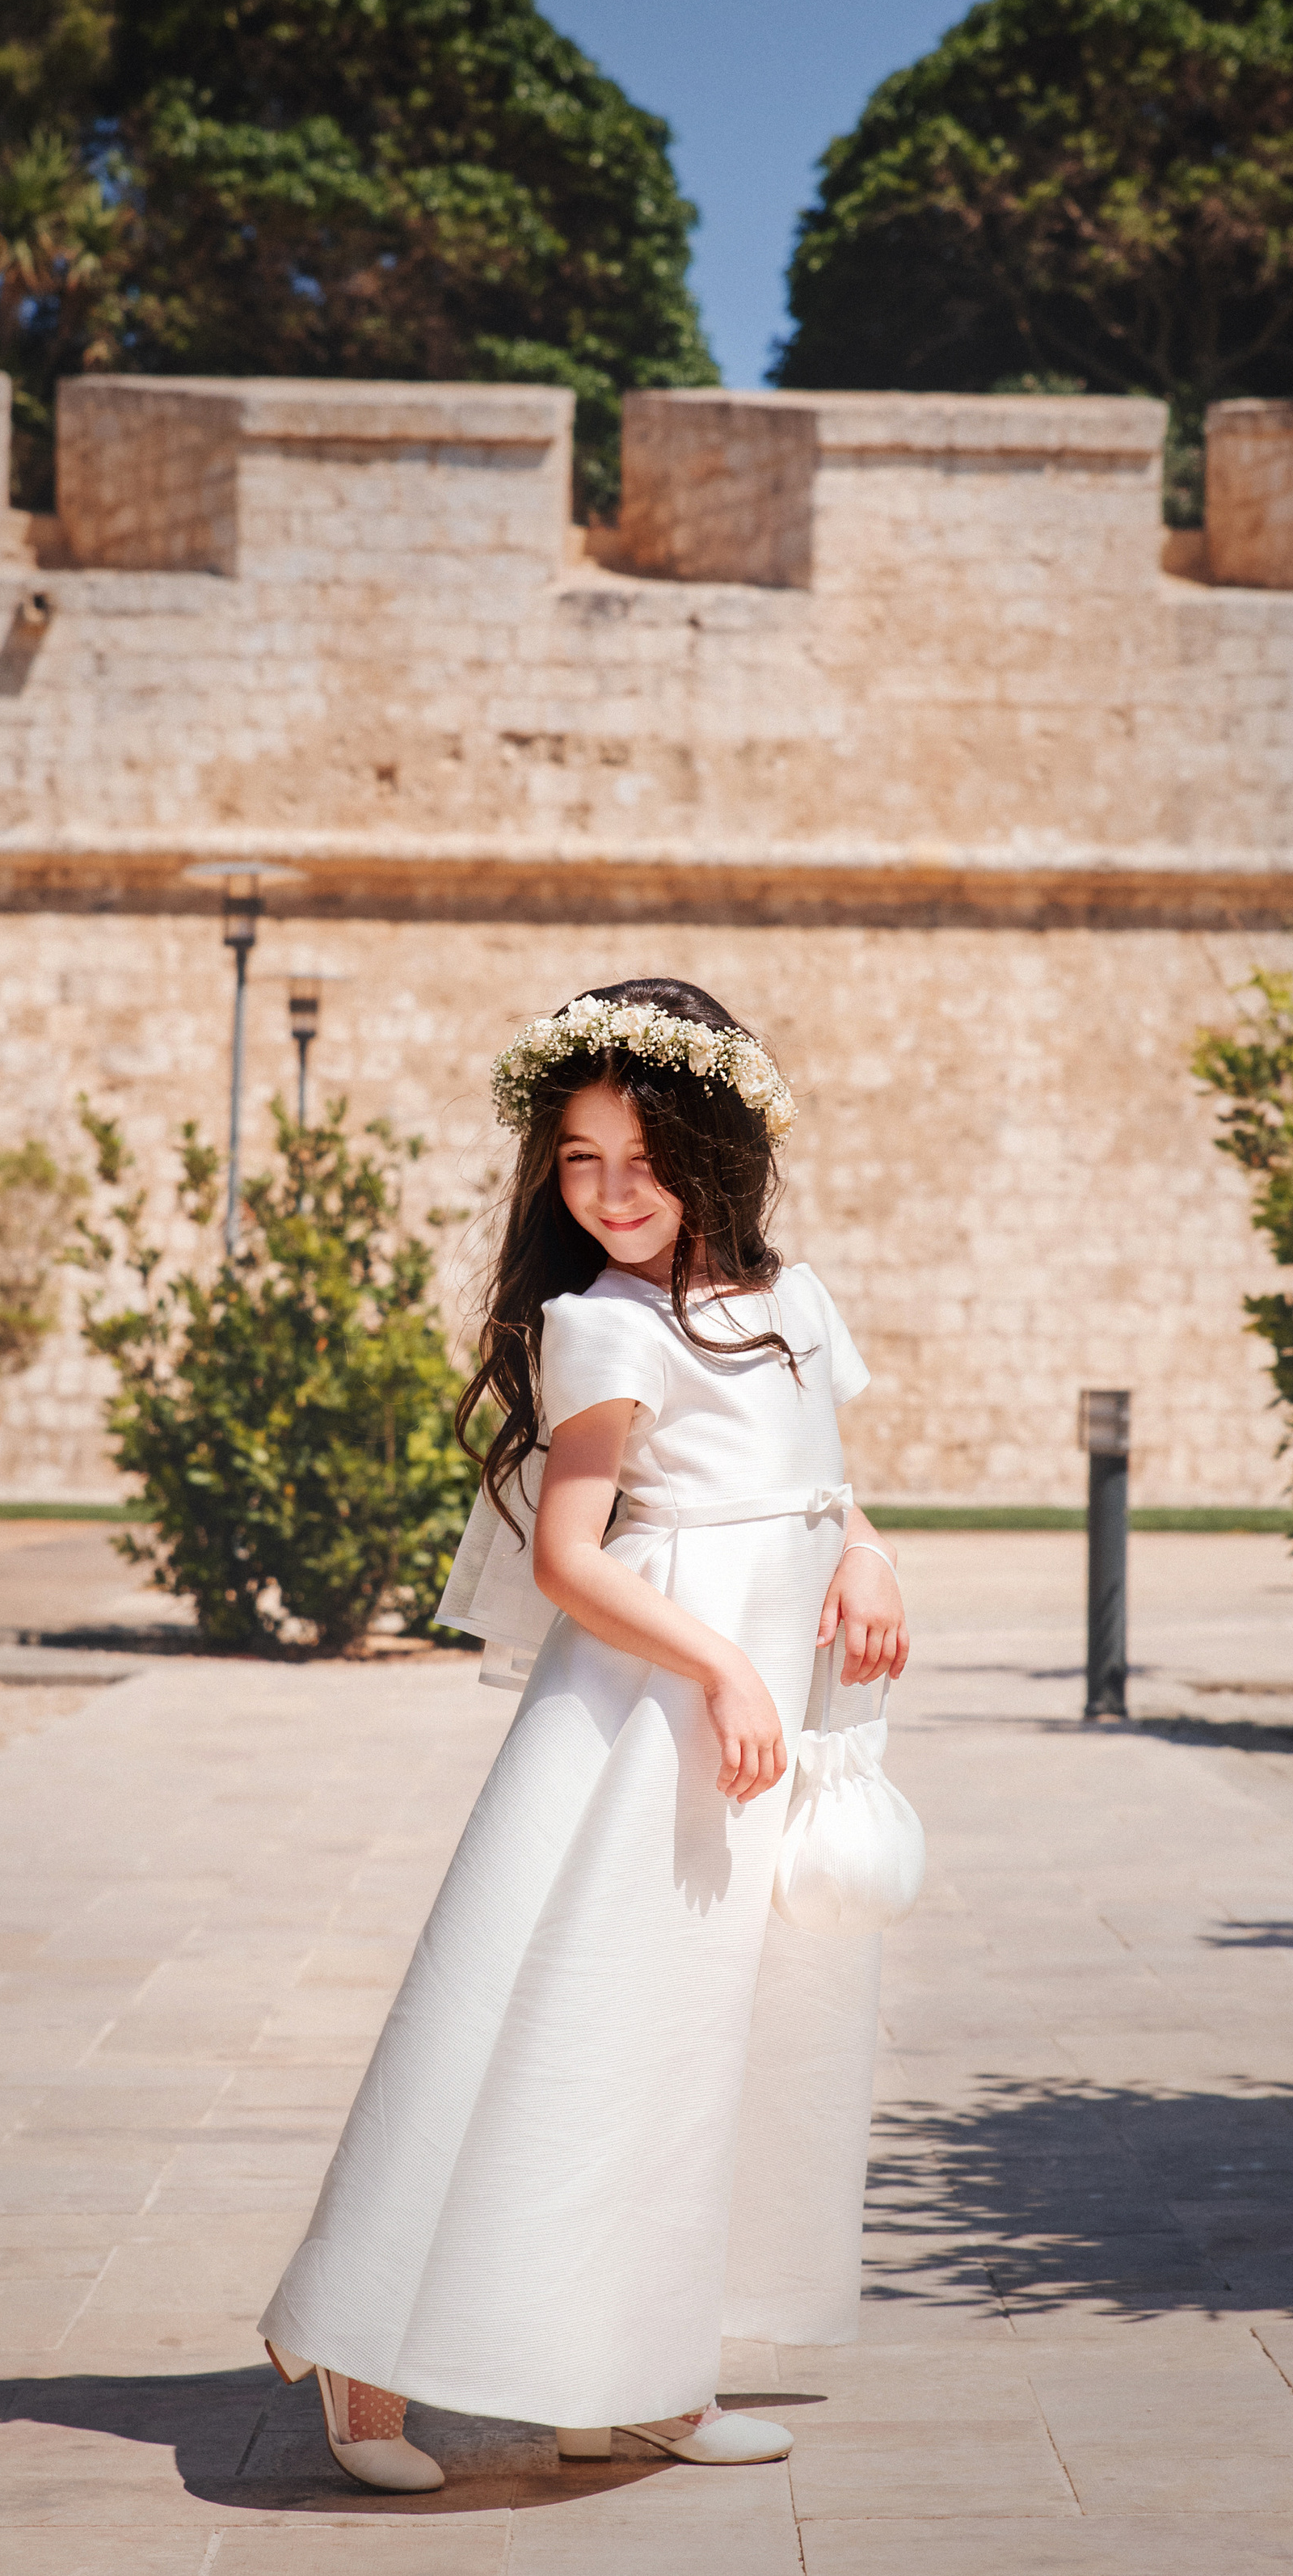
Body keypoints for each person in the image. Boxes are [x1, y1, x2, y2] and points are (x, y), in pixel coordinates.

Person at [257, 979, 908, 2490]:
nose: (611, 1194)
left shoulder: (794, 1306)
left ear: (718, 1149)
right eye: (578, 1161)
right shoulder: (602, 1324)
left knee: (690, 2043)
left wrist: (867, 1553)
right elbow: (569, 1558)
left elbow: (818, 1482)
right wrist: (728, 1677)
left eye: (642, 1157)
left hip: (750, 1726)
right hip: (635, 1721)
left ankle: (634, 2373)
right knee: (550, 2019)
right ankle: (363, 2365)